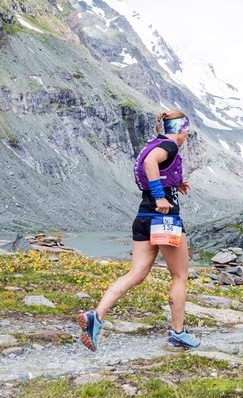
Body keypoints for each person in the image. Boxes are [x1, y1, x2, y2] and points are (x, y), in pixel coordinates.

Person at [77, 110, 199, 351]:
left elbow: (155, 168)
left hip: (143, 217)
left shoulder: (153, 143)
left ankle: (96, 316)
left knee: (136, 274)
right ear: (180, 130)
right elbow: (150, 163)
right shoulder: (169, 146)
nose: (187, 136)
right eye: (186, 131)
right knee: (179, 276)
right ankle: (178, 333)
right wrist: (161, 196)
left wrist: (175, 184)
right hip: (164, 219)